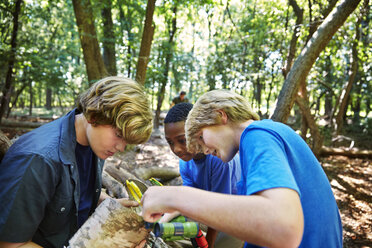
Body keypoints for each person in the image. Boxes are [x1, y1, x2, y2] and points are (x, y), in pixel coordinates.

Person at [141, 90, 343, 248]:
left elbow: (284, 228)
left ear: (221, 116)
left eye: (202, 138)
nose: (204, 149)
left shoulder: (258, 134)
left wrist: (176, 197)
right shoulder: (258, 141)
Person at [0, 76, 153, 248]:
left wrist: (109, 208)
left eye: (127, 141)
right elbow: (10, 245)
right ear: (94, 115)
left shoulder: (93, 143)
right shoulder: (38, 160)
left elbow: (71, 193)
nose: (120, 148)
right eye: (118, 135)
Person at [162, 102, 243, 248]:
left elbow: (220, 210)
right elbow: (189, 198)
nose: (177, 149)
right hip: (212, 210)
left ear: (196, 132)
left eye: (182, 140)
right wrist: (160, 223)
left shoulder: (219, 159)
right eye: (170, 142)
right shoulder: (185, 163)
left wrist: (208, 245)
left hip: (237, 214)